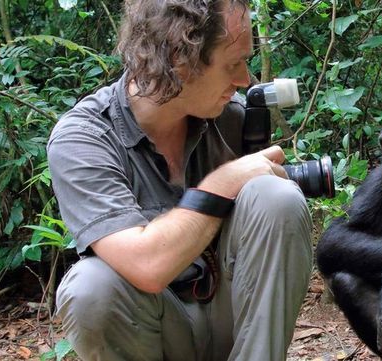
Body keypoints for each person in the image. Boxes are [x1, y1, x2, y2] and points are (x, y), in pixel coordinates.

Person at [46, 0, 313, 359]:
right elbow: (146, 266)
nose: (244, 80)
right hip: (154, 328)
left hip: (229, 315)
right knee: (90, 287)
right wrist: (224, 182)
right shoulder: (84, 139)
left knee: (276, 197)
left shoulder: (230, 119)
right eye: (232, 63)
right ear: (179, 59)